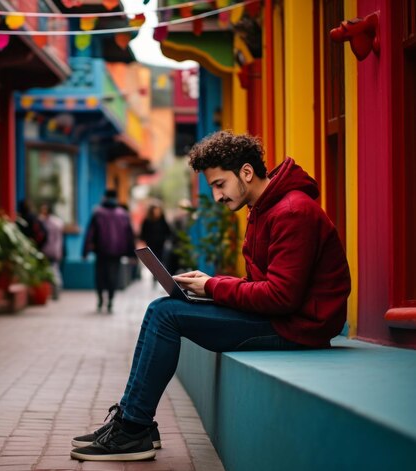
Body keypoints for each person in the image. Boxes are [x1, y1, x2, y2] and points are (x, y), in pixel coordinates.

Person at [70, 131, 351, 462]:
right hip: (281, 317)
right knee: (163, 308)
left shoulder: (292, 211)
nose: (217, 196)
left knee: (165, 314)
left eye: (220, 184)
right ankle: (134, 421)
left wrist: (213, 288)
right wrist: (211, 284)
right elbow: (265, 284)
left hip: (298, 326)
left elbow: (281, 296)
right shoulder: (263, 209)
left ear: (246, 172)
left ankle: (133, 428)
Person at [83, 189, 136, 313]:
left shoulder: (98, 213)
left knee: (100, 276)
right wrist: (132, 254)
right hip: (117, 252)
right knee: (113, 276)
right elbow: (129, 235)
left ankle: (101, 299)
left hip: (101, 251)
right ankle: (111, 300)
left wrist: (85, 252)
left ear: (104, 197)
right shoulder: (123, 214)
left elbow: (90, 233)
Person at [139, 203, 171, 287]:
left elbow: (168, 232)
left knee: (160, 262)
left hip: (161, 245)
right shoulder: (147, 221)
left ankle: (158, 278)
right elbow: (143, 233)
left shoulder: (162, 220)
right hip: (151, 245)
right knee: (153, 262)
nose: (157, 212)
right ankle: (154, 277)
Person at [39, 202, 64, 299]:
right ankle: (52, 290)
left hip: (49, 250)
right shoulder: (57, 222)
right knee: (54, 270)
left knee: (53, 270)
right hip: (54, 250)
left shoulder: (48, 223)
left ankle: (55, 289)